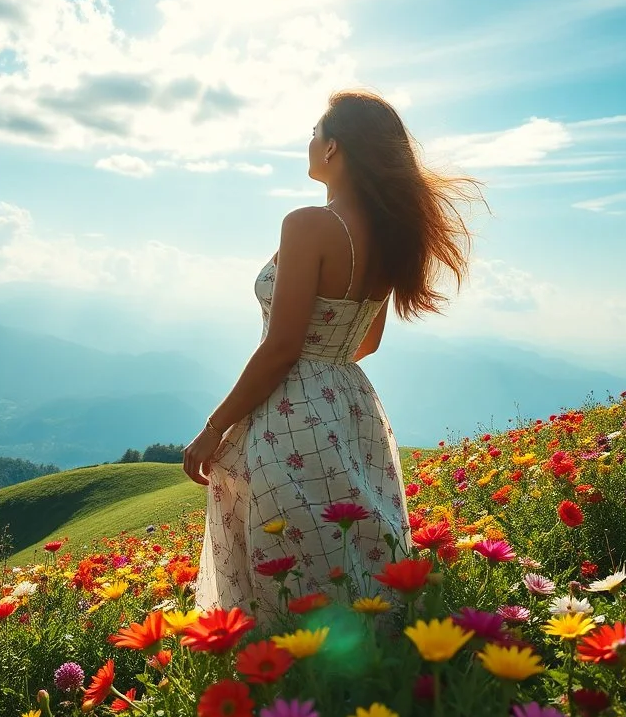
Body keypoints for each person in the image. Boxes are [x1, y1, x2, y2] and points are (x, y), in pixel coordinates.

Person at [183, 88, 485, 621]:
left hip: (290, 408)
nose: (309, 141)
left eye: (314, 133)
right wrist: (327, 364)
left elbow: (280, 348)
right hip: (350, 403)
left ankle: (286, 682)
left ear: (333, 149)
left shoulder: (309, 225)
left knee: (287, 558)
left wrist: (214, 427)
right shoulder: (389, 232)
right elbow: (367, 342)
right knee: (347, 548)